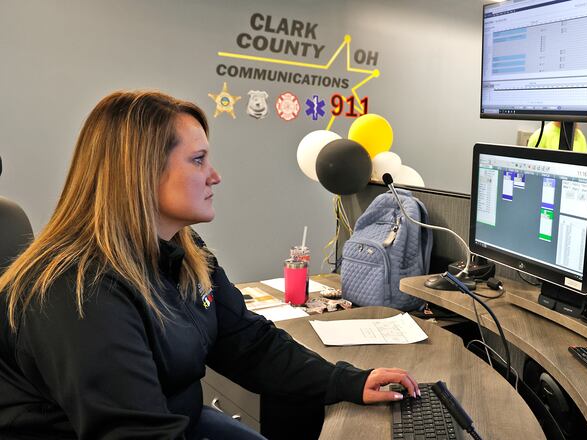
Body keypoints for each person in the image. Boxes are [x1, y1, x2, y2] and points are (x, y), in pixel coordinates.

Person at [0, 91, 419, 439]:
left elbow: (248, 344)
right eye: (198, 160)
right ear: (141, 172)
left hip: (178, 418)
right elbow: (133, 432)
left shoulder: (185, 250)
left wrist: (347, 381)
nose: (214, 175)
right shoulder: (79, 289)